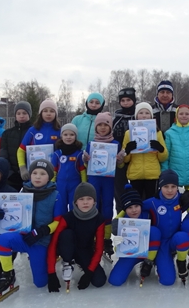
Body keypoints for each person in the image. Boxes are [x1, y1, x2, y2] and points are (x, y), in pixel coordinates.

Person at [0, 159, 64, 293]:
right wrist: (1, 214)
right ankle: (8, 274)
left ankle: (47, 258)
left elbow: (58, 221)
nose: (37, 176)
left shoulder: (55, 195)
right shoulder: (23, 191)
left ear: (49, 176)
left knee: (40, 283)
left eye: (42, 174)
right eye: (34, 173)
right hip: (24, 237)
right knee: (1, 240)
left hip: (40, 241)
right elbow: (13, 214)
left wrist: (43, 231)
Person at [46, 182, 107, 292]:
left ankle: (78, 262)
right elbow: (54, 243)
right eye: (81, 199)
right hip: (67, 248)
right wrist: (51, 273)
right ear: (75, 202)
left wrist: (89, 273)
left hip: (84, 250)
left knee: (99, 281)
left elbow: (99, 249)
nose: (85, 202)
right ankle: (67, 262)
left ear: (94, 201)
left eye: (89, 198)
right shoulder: (67, 217)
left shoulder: (99, 219)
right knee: (66, 234)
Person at [83, 112, 125, 258]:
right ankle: (94, 238)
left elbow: (120, 166)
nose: (102, 128)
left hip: (108, 180)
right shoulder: (91, 144)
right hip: (94, 179)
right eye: (99, 125)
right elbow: (85, 163)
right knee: (94, 206)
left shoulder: (115, 144)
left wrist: (120, 159)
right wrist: (85, 159)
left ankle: (106, 239)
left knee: (107, 206)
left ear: (110, 127)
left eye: (105, 125)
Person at [139, 170, 189, 286]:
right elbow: (134, 206)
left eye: (173, 186)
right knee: (167, 281)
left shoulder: (182, 200)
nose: (170, 190)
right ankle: (154, 260)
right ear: (160, 186)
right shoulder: (152, 202)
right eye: (166, 186)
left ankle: (180, 262)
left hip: (174, 240)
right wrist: (118, 219)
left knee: (183, 236)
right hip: (159, 243)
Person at [108, 186, 157, 286]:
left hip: (149, 252)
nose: (134, 210)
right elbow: (120, 250)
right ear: (125, 210)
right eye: (130, 207)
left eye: (136, 206)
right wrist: (117, 244)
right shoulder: (122, 223)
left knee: (155, 231)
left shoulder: (148, 214)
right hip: (132, 254)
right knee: (115, 281)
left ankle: (150, 263)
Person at [122, 102, 168, 200]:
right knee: (136, 203)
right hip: (135, 174)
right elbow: (125, 159)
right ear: (136, 116)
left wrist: (160, 149)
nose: (144, 116)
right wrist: (128, 150)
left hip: (152, 174)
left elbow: (163, 157)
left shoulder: (157, 133)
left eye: (147, 113)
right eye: (141, 113)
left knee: (151, 203)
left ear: (151, 116)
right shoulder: (128, 133)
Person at [17, 98, 61, 182]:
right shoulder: (32, 130)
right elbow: (21, 150)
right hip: (35, 173)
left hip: (53, 173)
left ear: (56, 114)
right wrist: (22, 168)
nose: (48, 114)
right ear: (40, 113)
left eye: (52, 111)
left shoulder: (60, 131)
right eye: (45, 111)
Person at [112, 87, 137, 213]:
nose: (126, 103)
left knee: (135, 189)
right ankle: (121, 214)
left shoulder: (139, 117)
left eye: (128, 100)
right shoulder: (116, 119)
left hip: (137, 158)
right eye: (123, 100)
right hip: (119, 159)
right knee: (120, 189)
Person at [52, 123, 87, 211]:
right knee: (61, 205)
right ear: (61, 136)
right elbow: (54, 170)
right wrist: (52, 183)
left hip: (75, 184)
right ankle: (62, 223)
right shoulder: (57, 153)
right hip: (60, 184)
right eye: (65, 134)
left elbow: (82, 170)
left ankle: (73, 223)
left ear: (75, 136)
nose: (68, 137)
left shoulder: (79, 153)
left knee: (74, 206)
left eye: (72, 134)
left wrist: (84, 183)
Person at [0, 101, 32, 191]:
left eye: (24, 113)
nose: (21, 116)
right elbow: (3, 155)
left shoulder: (35, 132)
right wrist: (10, 173)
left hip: (31, 176)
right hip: (12, 178)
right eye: (18, 113)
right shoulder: (7, 134)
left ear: (29, 114)